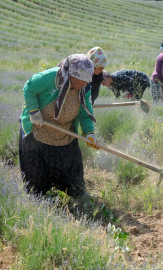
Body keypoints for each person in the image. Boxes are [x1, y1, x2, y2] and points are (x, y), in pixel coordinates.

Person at [19, 54, 98, 205]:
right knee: (36, 169)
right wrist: (34, 111)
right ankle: (37, 198)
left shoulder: (84, 87)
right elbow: (28, 88)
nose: (84, 84)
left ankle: (77, 193)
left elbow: (85, 113)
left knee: (69, 166)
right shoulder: (50, 77)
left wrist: (90, 133)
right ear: (71, 75)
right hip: (39, 128)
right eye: (81, 80)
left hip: (64, 132)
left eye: (86, 81)